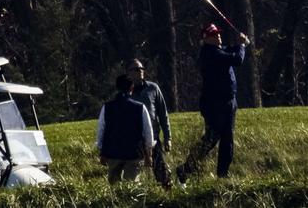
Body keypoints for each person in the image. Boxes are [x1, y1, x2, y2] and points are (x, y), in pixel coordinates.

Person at [176, 23, 250, 187]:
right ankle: (186, 169)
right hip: (215, 103)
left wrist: (240, 44)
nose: (218, 36)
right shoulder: (210, 54)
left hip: (228, 101)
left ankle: (222, 175)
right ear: (205, 39)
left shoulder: (218, 50)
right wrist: (242, 45)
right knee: (212, 138)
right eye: (213, 35)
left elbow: (230, 50)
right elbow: (237, 59)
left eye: (218, 33)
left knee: (226, 138)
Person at [96, 74, 154, 184]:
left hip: (113, 152)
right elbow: (148, 131)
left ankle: (115, 201)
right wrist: (148, 154)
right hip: (134, 153)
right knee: (132, 184)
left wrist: (102, 151)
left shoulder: (107, 107)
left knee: (114, 184)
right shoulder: (140, 107)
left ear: (117, 87)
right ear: (132, 88)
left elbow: (101, 130)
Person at [127, 58, 173, 189]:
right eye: (136, 69)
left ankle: (166, 195)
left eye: (141, 68)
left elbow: (163, 114)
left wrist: (168, 137)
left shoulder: (153, 88)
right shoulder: (126, 93)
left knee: (162, 173)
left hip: (153, 139)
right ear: (128, 73)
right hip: (134, 141)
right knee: (134, 176)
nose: (140, 71)